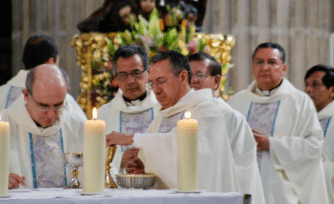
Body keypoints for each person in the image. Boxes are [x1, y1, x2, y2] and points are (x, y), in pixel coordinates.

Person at [105, 51, 241, 192]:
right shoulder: (161, 118)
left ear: (182, 77)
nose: (156, 90)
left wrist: (131, 138)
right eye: (152, 84)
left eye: (162, 81)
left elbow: (191, 159)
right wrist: (145, 170)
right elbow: (166, 168)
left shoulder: (206, 112)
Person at [228, 42, 329, 204]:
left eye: (272, 62)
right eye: (259, 62)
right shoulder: (238, 101)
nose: (265, 67)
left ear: (283, 69)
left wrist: (272, 145)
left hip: (280, 192)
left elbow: (314, 145)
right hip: (243, 187)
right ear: (253, 67)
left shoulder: (299, 101)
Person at [188, 52, 265, 204]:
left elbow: (245, 170)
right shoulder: (175, 114)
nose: (193, 80)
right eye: (188, 75)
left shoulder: (230, 118)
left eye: (199, 74)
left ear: (216, 81)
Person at [2, 64, 85, 189]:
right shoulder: (4, 124)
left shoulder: (77, 127)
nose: (51, 114)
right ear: (26, 95)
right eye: (43, 106)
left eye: (58, 105)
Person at [98, 44, 160, 179]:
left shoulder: (163, 109)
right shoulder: (103, 115)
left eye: (136, 73)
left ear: (148, 73)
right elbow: (92, 159)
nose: (130, 80)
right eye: (123, 75)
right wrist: (120, 159)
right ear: (115, 78)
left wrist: (146, 157)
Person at [0, 34, 87, 121]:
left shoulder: (2, 92)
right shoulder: (60, 99)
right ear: (50, 63)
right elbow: (81, 130)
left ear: (23, 63)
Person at [304, 64, 334, 202]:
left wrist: (318, 169)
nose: (308, 90)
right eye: (306, 85)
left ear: (332, 90)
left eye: (315, 85)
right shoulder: (304, 120)